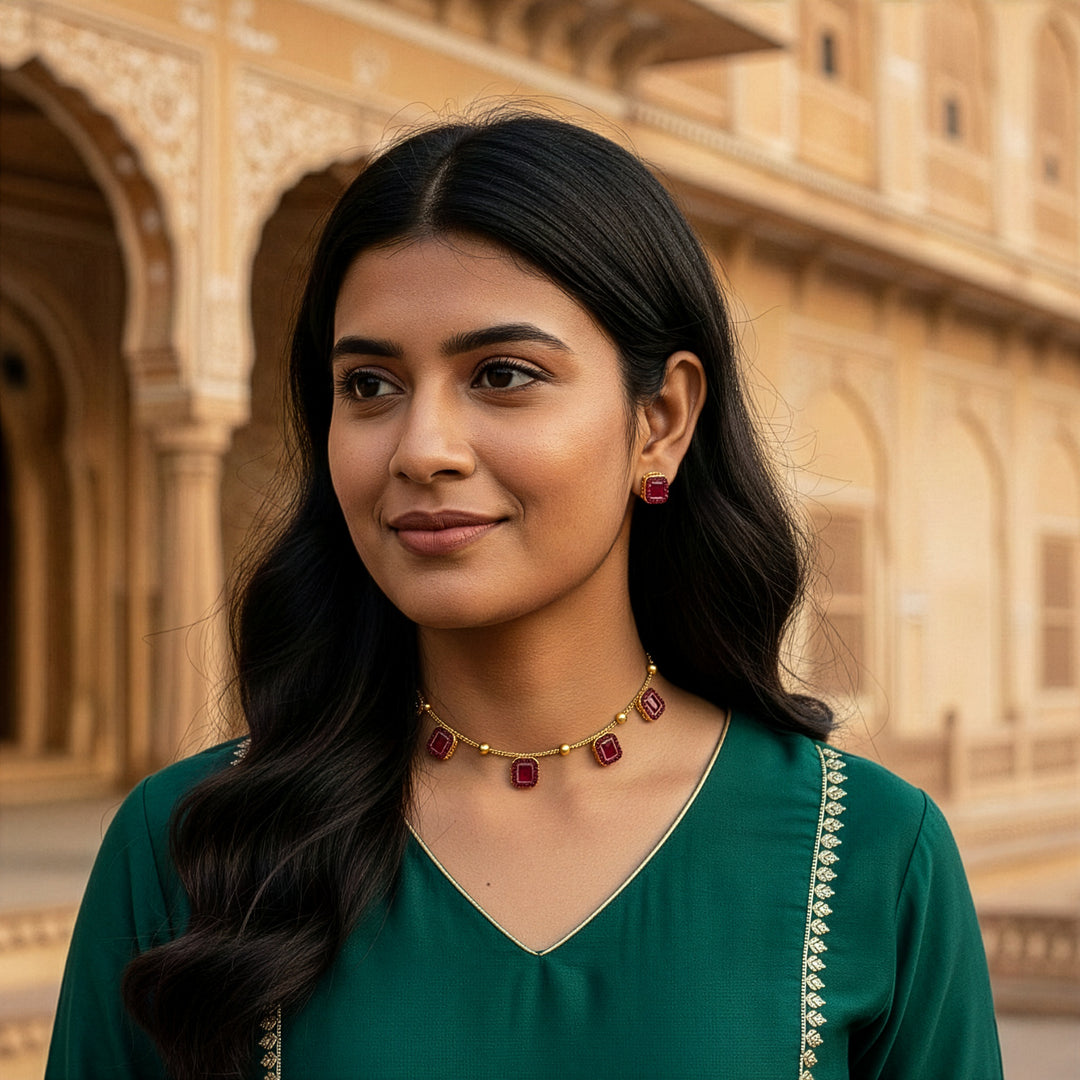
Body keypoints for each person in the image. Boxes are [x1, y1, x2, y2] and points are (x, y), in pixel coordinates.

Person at [47, 109, 1003, 1080]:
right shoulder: (194, 848)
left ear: (660, 421)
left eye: (502, 375)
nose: (422, 448)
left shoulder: (867, 856)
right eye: (370, 386)